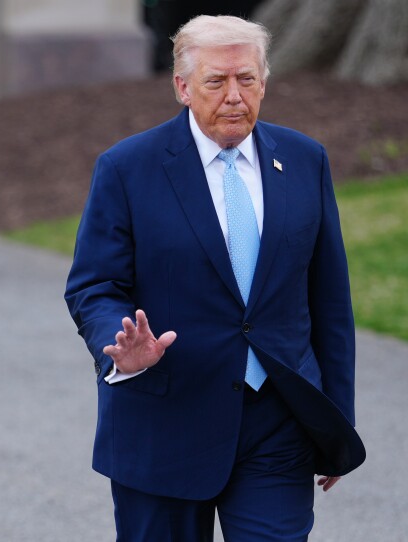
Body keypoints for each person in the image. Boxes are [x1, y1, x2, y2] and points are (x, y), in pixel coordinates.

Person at [64, 15, 365, 541]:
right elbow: (94, 285)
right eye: (216, 81)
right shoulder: (127, 168)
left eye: (246, 79)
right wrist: (120, 343)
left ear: (264, 82)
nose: (234, 95)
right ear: (182, 87)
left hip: (278, 422)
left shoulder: (304, 160)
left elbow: (329, 301)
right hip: (164, 422)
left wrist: (334, 421)